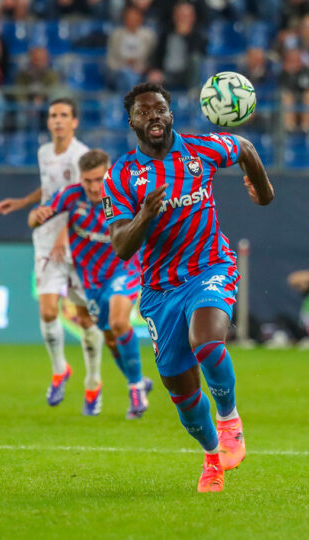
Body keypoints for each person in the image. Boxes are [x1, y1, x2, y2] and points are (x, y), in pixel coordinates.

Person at [103, 82, 274, 492]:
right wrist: (145, 215)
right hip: (160, 289)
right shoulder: (121, 175)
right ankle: (212, 456)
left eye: (159, 109)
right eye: (143, 113)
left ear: (171, 114)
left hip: (210, 266)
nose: (153, 117)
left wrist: (263, 192)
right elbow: (122, 246)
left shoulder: (200, 150)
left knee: (207, 340)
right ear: (132, 122)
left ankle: (230, 420)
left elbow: (245, 148)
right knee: (181, 391)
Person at [0, 98, 104, 408]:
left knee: (85, 318)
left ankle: (93, 380)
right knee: (47, 310)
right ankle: (59, 370)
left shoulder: (81, 156)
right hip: (45, 240)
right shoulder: (44, 152)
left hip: (80, 241)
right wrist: (22, 202)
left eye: (64, 115)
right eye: (53, 115)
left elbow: (84, 200)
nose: (57, 120)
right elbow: (50, 191)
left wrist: (64, 237)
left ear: (75, 122)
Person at [28, 149, 152, 419]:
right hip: (92, 281)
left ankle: (135, 389)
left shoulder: (126, 192)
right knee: (109, 338)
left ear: (109, 172)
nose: (95, 187)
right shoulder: (71, 196)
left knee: (120, 323)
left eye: (99, 179)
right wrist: (36, 216)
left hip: (124, 268)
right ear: (80, 179)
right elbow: (36, 219)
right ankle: (139, 378)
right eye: (88, 181)